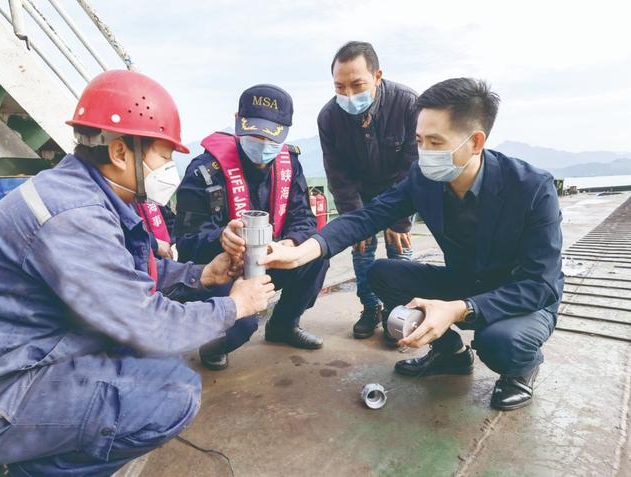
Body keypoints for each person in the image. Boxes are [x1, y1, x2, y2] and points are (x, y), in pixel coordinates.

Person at [0, 70, 274, 476]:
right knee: (171, 394)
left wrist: (202, 275)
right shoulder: (74, 216)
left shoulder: (82, 192)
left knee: (139, 361)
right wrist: (234, 305)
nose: (169, 169)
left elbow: (121, 274)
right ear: (119, 153)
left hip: (0, 363)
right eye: (163, 157)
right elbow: (147, 323)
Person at [261, 78, 563, 411]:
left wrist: (460, 308)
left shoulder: (532, 188)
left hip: (519, 299)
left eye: (436, 141)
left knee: (498, 343)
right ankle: (451, 355)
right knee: (382, 273)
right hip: (465, 280)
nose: (425, 153)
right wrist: (303, 251)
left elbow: (541, 285)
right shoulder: (424, 178)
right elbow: (368, 217)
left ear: (476, 142)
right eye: (419, 140)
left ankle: (521, 370)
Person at [175, 84, 329, 370]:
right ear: (237, 120)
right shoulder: (204, 172)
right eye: (253, 133)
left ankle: (283, 325)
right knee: (241, 324)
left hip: (271, 259)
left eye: (270, 136)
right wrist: (220, 239)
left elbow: (304, 218)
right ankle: (215, 343)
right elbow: (184, 243)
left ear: (285, 131)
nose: (261, 142)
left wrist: (291, 246)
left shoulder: (289, 164)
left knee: (316, 255)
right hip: (222, 270)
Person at [317, 41, 419, 344]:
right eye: (340, 87)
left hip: (400, 190)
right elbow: (338, 175)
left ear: (377, 76)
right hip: (359, 194)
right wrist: (355, 221)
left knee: (399, 247)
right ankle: (371, 307)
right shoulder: (328, 118)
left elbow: (414, 164)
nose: (348, 94)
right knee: (362, 250)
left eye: (357, 84)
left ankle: (398, 312)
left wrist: (398, 217)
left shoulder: (409, 104)